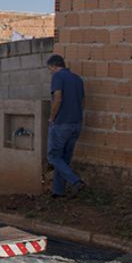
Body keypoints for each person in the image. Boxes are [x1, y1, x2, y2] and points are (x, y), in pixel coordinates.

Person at [46, 54, 86, 198]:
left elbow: (58, 97)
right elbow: (82, 101)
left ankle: (75, 180)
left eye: (50, 69)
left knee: (53, 157)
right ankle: (58, 191)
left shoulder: (58, 77)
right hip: (76, 123)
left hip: (62, 123)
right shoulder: (77, 79)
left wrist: (52, 117)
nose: (50, 72)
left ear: (54, 66)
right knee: (63, 159)